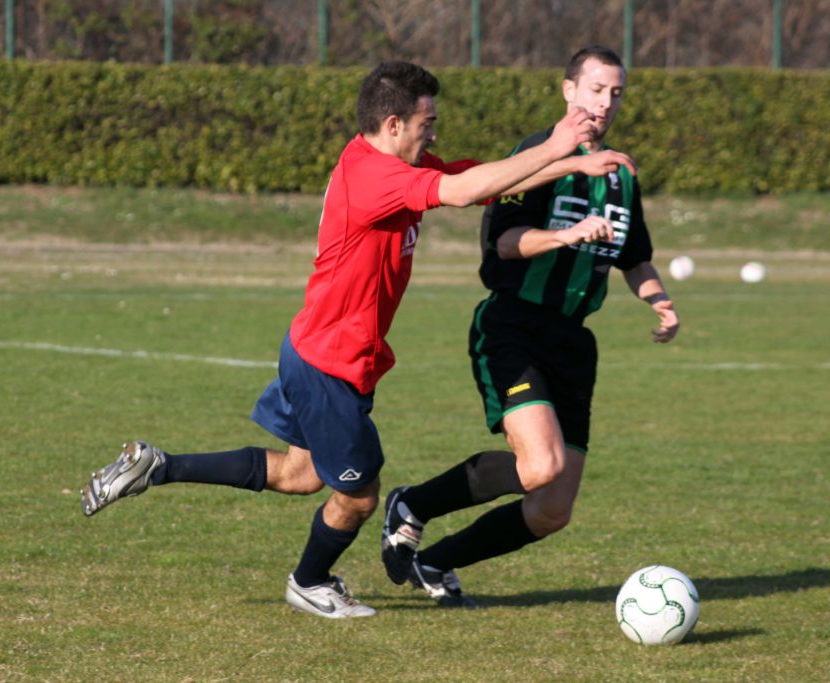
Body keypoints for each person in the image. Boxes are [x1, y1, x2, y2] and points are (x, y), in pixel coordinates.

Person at [79, 60, 636, 619]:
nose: (434, 132)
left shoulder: (381, 161)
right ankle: (310, 580)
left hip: (318, 350)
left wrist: (573, 164)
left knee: (300, 475)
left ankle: (158, 465)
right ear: (393, 124)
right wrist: (560, 142)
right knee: (360, 495)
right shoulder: (375, 176)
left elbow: (484, 176)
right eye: (428, 122)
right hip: (329, 363)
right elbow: (467, 192)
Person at [381, 46, 679, 608]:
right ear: (569, 91)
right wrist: (567, 235)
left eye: (616, 93)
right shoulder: (536, 158)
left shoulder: (620, 174)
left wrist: (659, 300)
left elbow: (632, 255)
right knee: (540, 465)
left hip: (574, 342)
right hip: (513, 325)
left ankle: (435, 561)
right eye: (595, 89)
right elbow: (504, 242)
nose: (605, 103)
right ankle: (413, 504)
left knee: (551, 508)